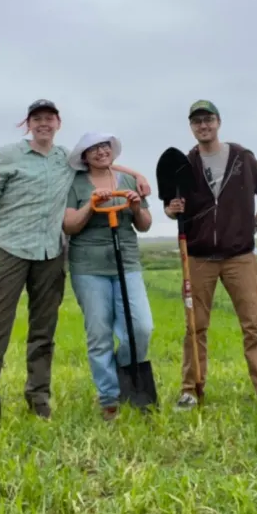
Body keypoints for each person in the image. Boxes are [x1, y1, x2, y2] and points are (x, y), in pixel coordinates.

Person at [0, 99, 151, 421]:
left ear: (57, 123)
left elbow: (104, 166)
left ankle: (38, 398)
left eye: (49, 119)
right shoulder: (8, 154)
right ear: (28, 124)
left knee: (43, 331)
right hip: (10, 247)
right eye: (37, 119)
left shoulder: (65, 160)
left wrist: (137, 174)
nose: (43, 124)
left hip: (51, 253)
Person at [164, 99, 257, 409]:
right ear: (191, 127)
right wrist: (170, 209)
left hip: (239, 255)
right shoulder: (184, 163)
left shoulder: (242, 157)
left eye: (208, 120)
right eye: (197, 122)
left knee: (253, 323)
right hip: (199, 257)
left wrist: (256, 222)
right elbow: (171, 206)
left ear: (218, 122)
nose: (203, 126)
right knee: (195, 325)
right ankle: (191, 389)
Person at [62, 132, 155, 421]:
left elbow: (146, 225)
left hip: (126, 262)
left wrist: (136, 207)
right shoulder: (75, 184)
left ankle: (124, 373)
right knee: (99, 333)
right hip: (88, 267)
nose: (101, 152)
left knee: (141, 327)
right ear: (84, 156)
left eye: (105, 147)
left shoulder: (127, 181)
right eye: (94, 149)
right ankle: (109, 398)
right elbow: (70, 225)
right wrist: (91, 205)